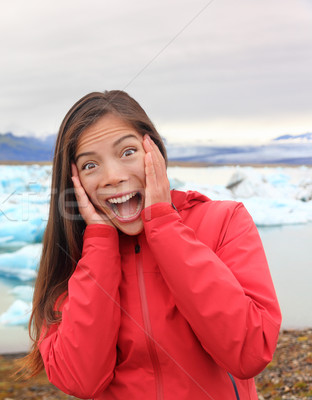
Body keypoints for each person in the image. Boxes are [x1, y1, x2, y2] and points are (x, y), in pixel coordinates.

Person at [22, 90, 281, 399]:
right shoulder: (74, 257)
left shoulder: (224, 222)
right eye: (91, 166)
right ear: (73, 181)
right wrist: (100, 247)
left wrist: (164, 226)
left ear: (153, 150)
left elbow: (250, 352)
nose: (113, 177)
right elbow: (81, 380)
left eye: (127, 152)